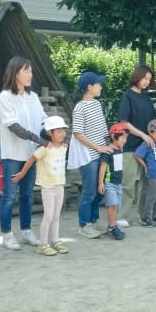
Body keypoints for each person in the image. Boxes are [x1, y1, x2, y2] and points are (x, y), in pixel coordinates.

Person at [0, 57, 48, 251]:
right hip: (12, 155)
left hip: (31, 155)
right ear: (15, 73)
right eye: (26, 71)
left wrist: (54, 132)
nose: (30, 75)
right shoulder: (5, 97)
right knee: (10, 196)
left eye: (31, 71)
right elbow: (14, 126)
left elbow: (43, 120)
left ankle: (26, 230)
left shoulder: (32, 96)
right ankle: (7, 235)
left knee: (27, 194)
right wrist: (39, 140)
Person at [11, 117, 70, 256]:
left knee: (56, 216)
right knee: (48, 216)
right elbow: (31, 159)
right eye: (59, 131)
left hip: (59, 185)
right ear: (50, 132)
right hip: (48, 187)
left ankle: (55, 241)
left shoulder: (64, 147)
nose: (62, 134)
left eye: (63, 131)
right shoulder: (44, 149)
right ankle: (43, 244)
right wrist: (22, 173)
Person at [68, 71, 112, 239]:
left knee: (100, 190)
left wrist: (108, 146)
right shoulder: (79, 108)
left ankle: (93, 222)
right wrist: (98, 148)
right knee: (89, 191)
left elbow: (102, 128)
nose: (101, 86)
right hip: (88, 156)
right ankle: (83, 225)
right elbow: (78, 133)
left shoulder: (97, 104)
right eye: (98, 84)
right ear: (89, 87)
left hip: (102, 153)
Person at [117, 66, 156, 227]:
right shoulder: (127, 96)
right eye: (145, 78)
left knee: (145, 183)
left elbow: (153, 122)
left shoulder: (147, 98)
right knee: (128, 182)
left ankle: (143, 215)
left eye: (149, 79)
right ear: (137, 77)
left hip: (147, 146)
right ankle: (122, 216)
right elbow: (124, 122)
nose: (147, 82)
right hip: (130, 146)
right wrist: (142, 135)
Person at [134, 120, 156, 227]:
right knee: (152, 196)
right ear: (150, 133)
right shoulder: (147, 143)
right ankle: (147, 217)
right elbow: (137, 155)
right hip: (153, 174)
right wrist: (145, 166)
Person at [98, 123, 128, 240]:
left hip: (118, 183)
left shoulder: (120, 149)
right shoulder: (108, 151)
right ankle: (111, 227)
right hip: (110, 183)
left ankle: (113, 225)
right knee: (112, 206)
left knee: (116, 206)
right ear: (113, 136)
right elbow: (103, 167)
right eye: (122, 138)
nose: (124, 140)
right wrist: (101, 183)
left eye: (125, 138)